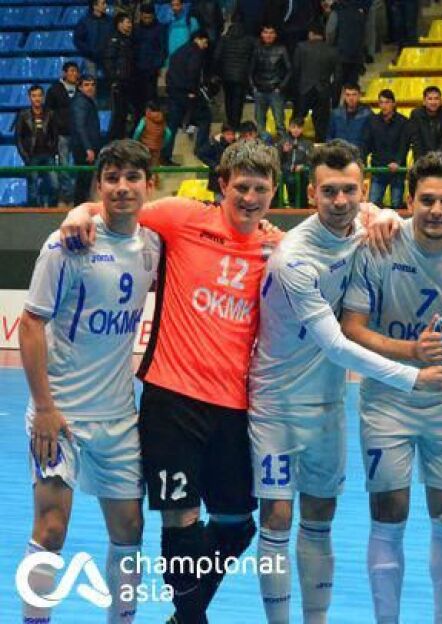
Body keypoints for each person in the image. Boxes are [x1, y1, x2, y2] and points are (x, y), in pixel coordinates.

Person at [61, 139, 284, 624]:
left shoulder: (277, 248)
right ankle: (191, 619)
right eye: (241, 187)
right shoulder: (182, 217)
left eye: (260, 189)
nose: (249, 198)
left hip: (235, 406)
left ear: (274, 191)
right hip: (172, 398)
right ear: (221, 185)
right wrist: (80, 210)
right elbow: (120, 204)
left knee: (237, 523)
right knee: (179, 519)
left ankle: (184, 617)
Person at [250, 140, 442, 624]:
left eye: (349, 191)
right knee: (277, 518)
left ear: (363, 190)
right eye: (329, 192)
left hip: (328, 404)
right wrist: (413, 377)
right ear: (311, 194)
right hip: (277, 406)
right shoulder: (293, 259)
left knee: (320, 518)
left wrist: (387, 213)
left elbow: (400, 219)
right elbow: (337, 345)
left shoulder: (366, 225)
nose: (339, 201)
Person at [340, 151, 442, 624]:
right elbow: (352, 327)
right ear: (409, 201)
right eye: (427, 199)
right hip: (387, 397)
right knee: (389, 509)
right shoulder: (380, 245)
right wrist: (409, 351)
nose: (436, 209)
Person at [20, 139, 160, 624]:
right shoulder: (67, 244)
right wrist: (43, 407)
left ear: (149, 185)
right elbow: (31, 324)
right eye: (111, 178)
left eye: (132, 177)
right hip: (60, 415)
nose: (122, 187)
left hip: (119, 418)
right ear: (98, 185)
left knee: (130, 531)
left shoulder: (154, 244)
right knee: (51, 529)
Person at [161, 30, 212, 166]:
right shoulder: (196, 53)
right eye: (205, 42)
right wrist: (193, 91)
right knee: (205, 118)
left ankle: (165, 154)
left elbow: (169, 74)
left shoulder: (178, 52)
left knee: (172, 125)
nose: (206, 46)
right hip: (188, 93)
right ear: (198, 39)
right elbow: (193, 72)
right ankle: (201, 149)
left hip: (174, 93)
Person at [363, 89, 409, 209]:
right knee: (372, 206)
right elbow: (366, 143)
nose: (384, 105)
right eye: (381, 102)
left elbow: (404, 145)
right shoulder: (372, 121)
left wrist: (397, 162)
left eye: (387, 102)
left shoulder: (403, 122)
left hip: (397, 170)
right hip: (378, 168)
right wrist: (361, 160)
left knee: (396, 205)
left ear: (393, 103)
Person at [292, 26, 339, 142]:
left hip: (303, 90)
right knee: (321, 127)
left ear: (310, 34)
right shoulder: (332, 50)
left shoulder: (301, 47)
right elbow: (338, 77)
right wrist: (334, 97)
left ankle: (293, 147)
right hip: (323, 91)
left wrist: (294, 91)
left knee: (296, 123)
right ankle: (320, 148)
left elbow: (296, 70)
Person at [16, 85, 59, 207]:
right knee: (32, 188)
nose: (37, 98)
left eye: (39, 95)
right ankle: (33, 211)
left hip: (48, 155)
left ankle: (51, 210)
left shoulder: (50, 114)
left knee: (55, 185)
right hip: (31, 155)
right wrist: (25, 156)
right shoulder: (23, 115)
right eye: (34, 96)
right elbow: (18, 138)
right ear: (29, 97)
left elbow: (55, 135)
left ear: (43, 97)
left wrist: (53, 151)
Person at [44, 61, 80, 205]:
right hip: (61, 134)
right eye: (71, 71)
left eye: (76, 71)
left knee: (78, 165)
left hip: (78, 135)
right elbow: (48, 113)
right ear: (64, 73)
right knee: (64, 165)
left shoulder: (80, 89)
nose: (74, 74)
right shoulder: (54, 90)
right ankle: (67, 195)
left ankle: (78, 195)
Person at [250, 24, 292, 141]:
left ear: (275, 35)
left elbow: (289, 70)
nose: (268, 35)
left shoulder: (282, 49)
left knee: (280, 123)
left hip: (275, 90)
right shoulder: (257, 49)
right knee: (260, 124)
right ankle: (262, 147)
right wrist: (253, 87)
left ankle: (283, 146)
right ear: (261, 34)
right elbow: (250, 70)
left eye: (271, 33)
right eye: (266, 32)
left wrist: (281, 87)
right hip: (260, 90)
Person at [214, 19, 255, 129]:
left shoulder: (224, 40)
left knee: (228, 99)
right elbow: (254, 57)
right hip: (242, 76)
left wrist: (218, 72)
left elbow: (216, 56)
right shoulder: (249, 40)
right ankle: (236, 123)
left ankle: (230, 122)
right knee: (238, 101)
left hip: (226, 76)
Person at [70, 75, 102, 205]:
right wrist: (88, 148)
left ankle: (81, 206)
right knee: (83, 180)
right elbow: (80, 127)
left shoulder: (87, 101)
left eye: (92, 85)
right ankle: (79, 207)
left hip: (88, 147)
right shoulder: (80, 102)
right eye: (86, 85)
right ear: (80, 87)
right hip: (83, 148)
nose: (90, 88)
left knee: (86, 180)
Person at [105, 13, 136, 141]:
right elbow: (109, 61)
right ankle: (114, 140)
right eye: (127, 22)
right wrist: (114, 79)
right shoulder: (114, 40)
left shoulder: (129, 40)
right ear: (119, 24)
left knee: (124, 114)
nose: (130, 25)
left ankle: (121, 139)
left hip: (128, 82)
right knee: (118, 114)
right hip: (119, 82)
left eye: (130, 22)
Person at [132, 4, 168, 114]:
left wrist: (157, 65)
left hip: (152, 69)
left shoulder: (160, 29)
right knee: (138, 97)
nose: (147, 20)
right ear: (141, 16)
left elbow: (163, 48)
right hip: (138, 69)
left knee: (151, 96)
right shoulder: (136, 29)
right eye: (145, 17)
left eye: (149, 17)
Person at [410, 85, 442, 157]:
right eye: (430, 99)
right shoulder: (416, 115)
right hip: (423, 157)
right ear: (424, 101)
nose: (433, 102)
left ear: (441, 101)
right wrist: (423, 160)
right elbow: (416, 140)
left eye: (436, 99)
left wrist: (435, 159)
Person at [131, 101, 170, 187]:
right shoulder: (162, 120)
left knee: (143, 164)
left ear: (148, 110)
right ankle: (155, 182)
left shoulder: (145, 119)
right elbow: (168, 134)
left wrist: (135, 142)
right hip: (157, 147)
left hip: (144, 146)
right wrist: (163, 144)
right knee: (155, 165)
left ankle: (144, 182)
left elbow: (138, 131)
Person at [278, 118, 315, 207]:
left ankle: (302, 206)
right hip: (285, 171)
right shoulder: (283, 141)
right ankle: (288, 204)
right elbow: (276, 159)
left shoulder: (308, 143)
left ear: (302, 129)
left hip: (301, 172)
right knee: (288, 180)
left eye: (298, 127)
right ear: (289, 128)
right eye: (293, 127)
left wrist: (303, 166)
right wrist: (283, 151)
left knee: (305, 179)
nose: (296, 130)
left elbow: (312, 160)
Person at [327, 83, 372, 153]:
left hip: (358, 155)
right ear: (344, 96)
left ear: (359, 95)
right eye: (348, 95)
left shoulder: (368, 115)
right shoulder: (335, 114)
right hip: (338, 155)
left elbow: (371, 139)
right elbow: (329, 137)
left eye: (354, 94)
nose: (351, 98)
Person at [74, 0, 112, 81]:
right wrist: (88, 52)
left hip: (107, 58)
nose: (106, 6)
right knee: (91, 82)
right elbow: (78, 39)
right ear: (95, 6)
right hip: (90, 58)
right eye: (103, 3)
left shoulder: (110, 21)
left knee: (110, 82)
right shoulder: (84, 21)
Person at [196, 122, 238, 196]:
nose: (231, 137)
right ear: (223, 134)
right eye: (228, 134)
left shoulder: (237, 143)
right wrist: (214, 165)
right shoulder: (213, 143)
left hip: (232, 180)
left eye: (232, 134)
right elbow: (201, 154)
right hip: (217, 180)